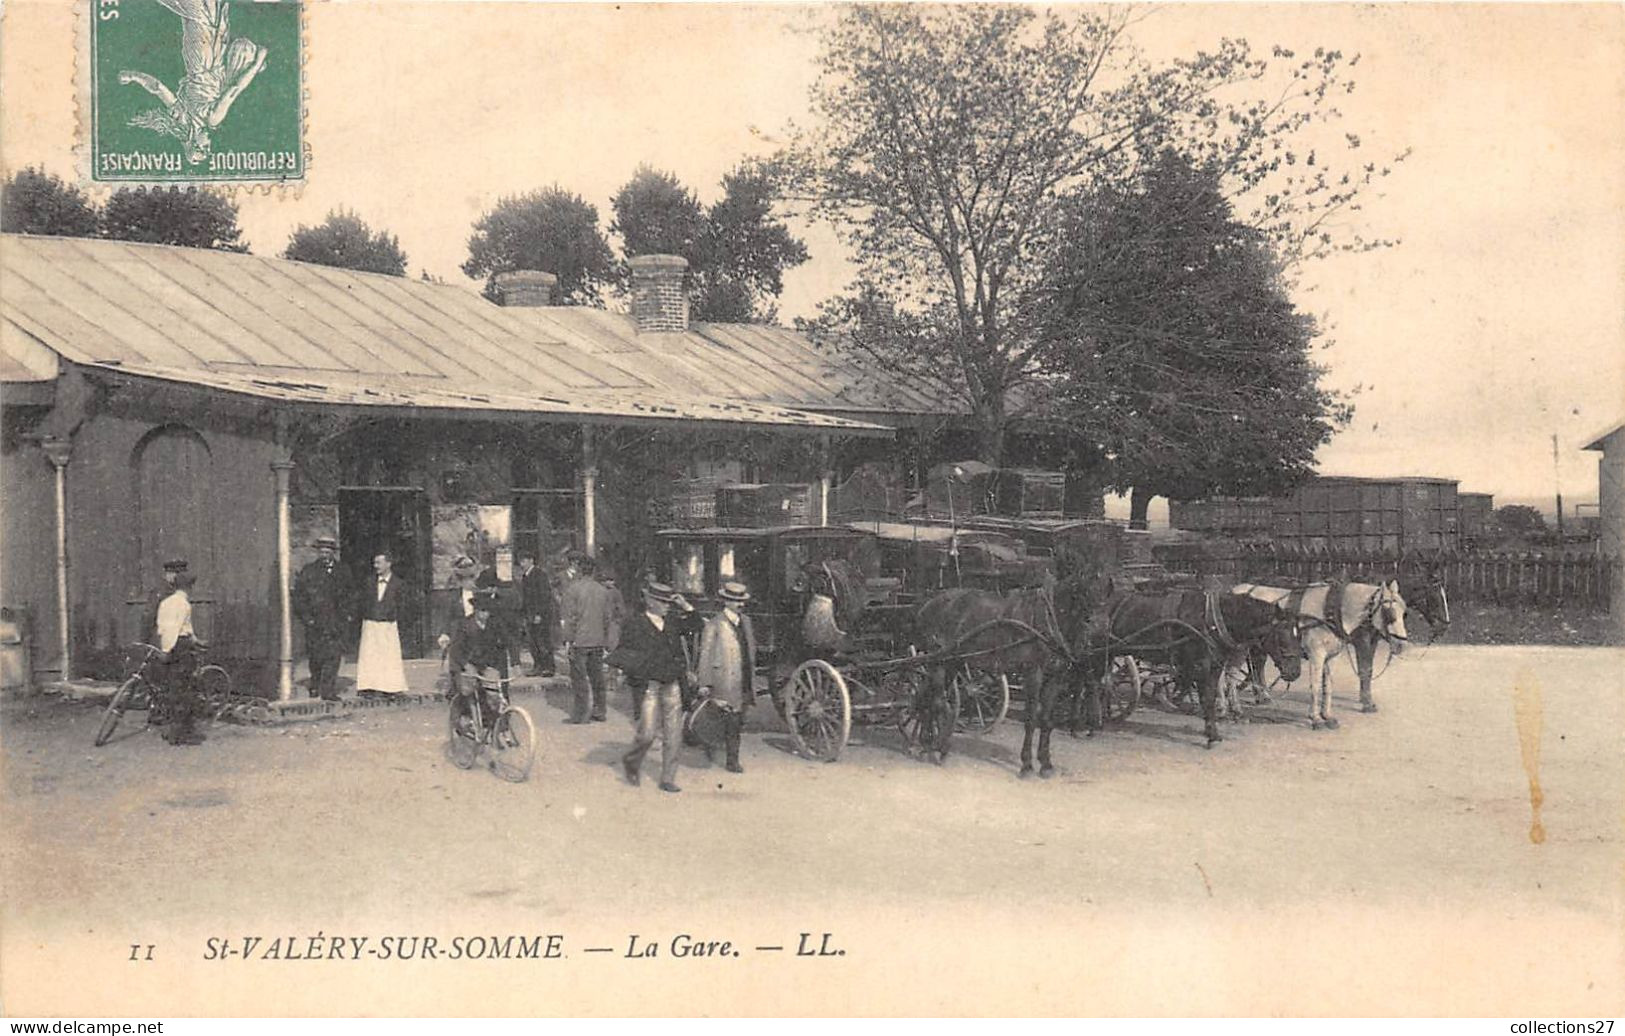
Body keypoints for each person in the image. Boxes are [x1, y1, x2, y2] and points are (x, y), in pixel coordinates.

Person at [607, 580, 700, 793]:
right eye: (663, 602)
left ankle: (668, 778)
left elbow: (697, 625)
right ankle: (632, 760)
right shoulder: (635, 623)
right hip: (649, 685)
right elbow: (624, 651)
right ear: (651, 602)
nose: (668, 605)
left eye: (669, 602)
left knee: (673, 734)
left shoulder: (674, 621)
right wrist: (624, 672)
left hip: (673, 683)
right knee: (647, 733)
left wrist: (685, 605)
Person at [694, 580, 757, 774]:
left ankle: (730, 757)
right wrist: (704, 682)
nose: (741, 605)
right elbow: (705, 654)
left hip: (744, 676)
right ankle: (731, 760)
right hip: (724, 677)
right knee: (728, 717)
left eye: (742, 601)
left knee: (737, 719)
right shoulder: (715, 624)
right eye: (736, 601)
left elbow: (749, 647)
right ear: (726, 602)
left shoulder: (745, 621)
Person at [559, 554, 621, 724]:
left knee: (579, 678)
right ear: (594, 571)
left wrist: (567, 640)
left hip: (579, 640)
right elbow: (608, 617)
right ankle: (600, 710)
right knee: (597, 676)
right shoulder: (603, 591)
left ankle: (581, 714)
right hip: (597, 640)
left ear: (579, 570)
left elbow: (568, 618)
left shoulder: (572, 590)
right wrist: (608, 639)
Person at [447, 588, 513, 732]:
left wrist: (515, 662)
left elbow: (508, 640)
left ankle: (496, 724)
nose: (485, 614)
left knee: (494, 691)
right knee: (467, 688)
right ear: (475, 610)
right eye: (482, 610)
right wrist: (465, 665)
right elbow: (456, 650)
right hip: (468, 662)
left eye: (488, 611)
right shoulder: (465, 625)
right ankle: (466, 719)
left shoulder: (495, 623)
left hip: (488, 663)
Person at [292, 537, 349, 701]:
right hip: (315, 623)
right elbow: (299, 598)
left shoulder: (343, 571)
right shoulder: (308, 571)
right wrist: (307, 619)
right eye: (322, 552)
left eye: (328, 552)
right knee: (316, 656)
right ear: (318, 553)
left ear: (333, 553)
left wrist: (347, 616)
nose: (324, 555)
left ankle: (328, 691)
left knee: (334, 655)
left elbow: (350, 595)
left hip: (335, 622)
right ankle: (315, 685)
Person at [153, 571, 205, 745]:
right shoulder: (183, 604)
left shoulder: (166, 603)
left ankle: (172, 731)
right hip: (179, 647)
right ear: (189, 587)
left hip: (171, 644)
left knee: (173, 688)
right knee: (185, 690)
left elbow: (164, 628)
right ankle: (182, 734)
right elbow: (175, 629)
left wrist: (195, 640)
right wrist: (168, 650)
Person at [355, 551, 410, 699]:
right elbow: (362, 602)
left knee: (389, 656)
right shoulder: (368, 581)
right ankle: (368, 687)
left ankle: (390, 688)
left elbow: (403, 605)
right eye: (374, 563)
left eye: (379, 563)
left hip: (388, 624)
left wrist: (393, 616)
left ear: (388, 563)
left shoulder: (399, 583)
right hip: (371, 623)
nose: (376, 566)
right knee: (369, 655)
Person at [517, 550, 556, 677]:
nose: (521, 564)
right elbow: (525, 598)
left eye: (524, 561)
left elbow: (544, 596)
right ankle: (538, 665)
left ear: (531, 561)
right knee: (532, 642)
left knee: (543, 641)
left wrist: (539, 614)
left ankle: (549, 667)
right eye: (520, 561)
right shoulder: (525, 576)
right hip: (529, 614)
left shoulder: (539, 574)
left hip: (540, 615)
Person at [143, 558, 189, 645]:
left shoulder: (181, 590)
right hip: (163, 638)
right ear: (169, 574)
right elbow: (149, 616)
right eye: (176, 574)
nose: (179, 577)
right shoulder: (159, 592)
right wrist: (146, 641)